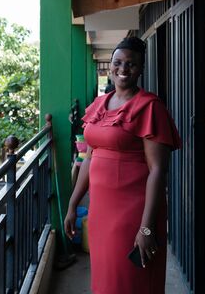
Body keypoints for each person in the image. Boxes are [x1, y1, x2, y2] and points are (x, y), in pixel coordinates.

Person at [64, 36, 181, 294]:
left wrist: (147, 227)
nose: (123, 69)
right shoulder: (99, 106)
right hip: (101, 212)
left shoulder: (150, 107)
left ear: (140, 69)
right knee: (106, 282)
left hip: (133, 214)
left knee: (129, 283)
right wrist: (73, 204)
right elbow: (90, 158)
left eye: (131, 64)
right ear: (110, 65)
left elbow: (158, 170)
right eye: (118, 62)